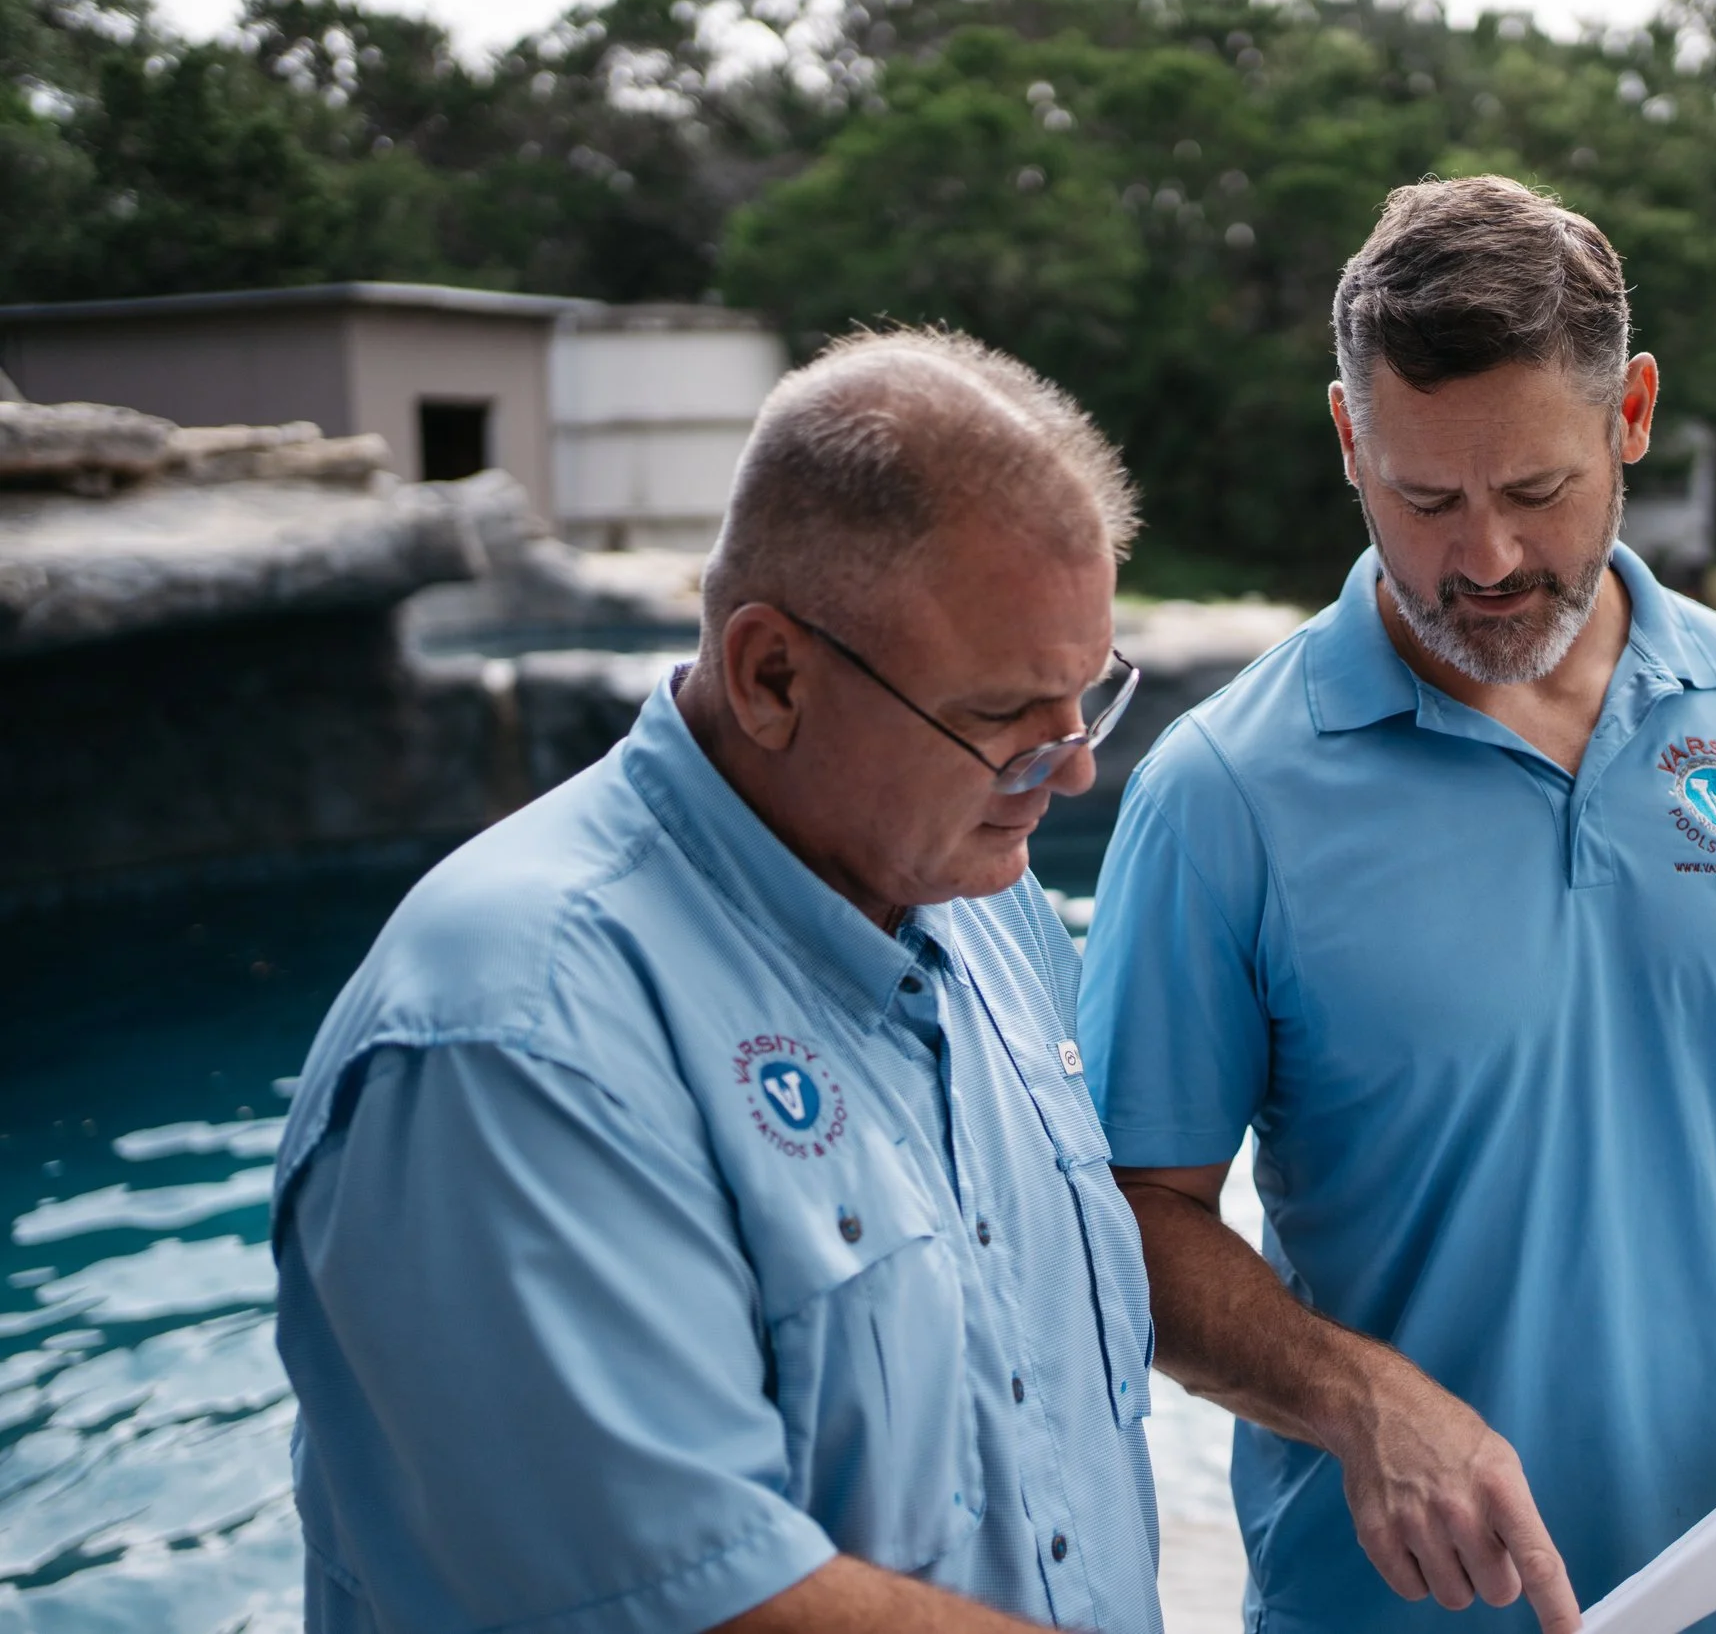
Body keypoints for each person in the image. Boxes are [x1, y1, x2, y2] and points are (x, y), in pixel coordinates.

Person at [1077, 177, 1716, 1634]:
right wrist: (1359, 1399)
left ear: (1630, 413)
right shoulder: (1222, 794)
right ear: (1349, 439)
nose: (1489, 561)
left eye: (1536, 491)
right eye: (1425, 497)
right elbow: (1133, 1219)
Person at [273, 331, 1164, 1634]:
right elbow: (698, 1602)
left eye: (1089, 695)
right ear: (772, 676)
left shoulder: (977, 895)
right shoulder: (512, 1039)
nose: (1073, 767)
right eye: (1003, 714)